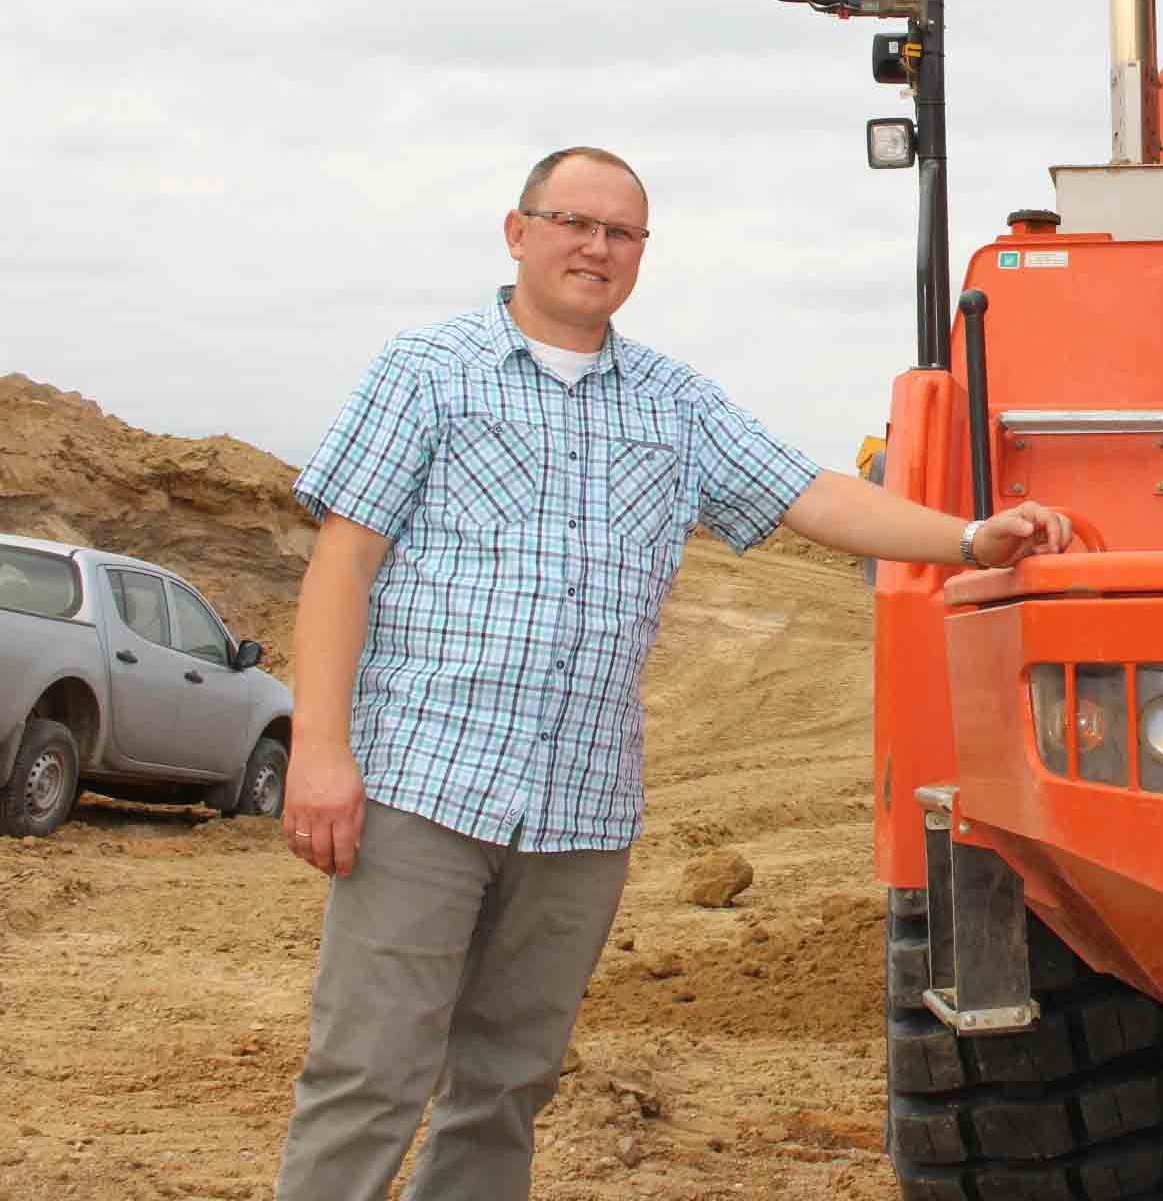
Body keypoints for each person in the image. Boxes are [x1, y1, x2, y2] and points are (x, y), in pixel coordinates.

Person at [271, 145, 1070, 1201]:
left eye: (622, 233)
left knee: (507, 1085)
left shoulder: (674, 403)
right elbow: (342, 567)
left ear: (642, 254)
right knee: (369, 1075)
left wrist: (970, 539)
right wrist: (319, 754)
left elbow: (810, 496)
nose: (596, 247)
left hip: (579, 811)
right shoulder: (425, 371)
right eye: (574, 223)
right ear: (519, 232)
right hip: (424, 784)